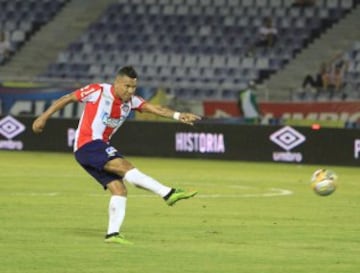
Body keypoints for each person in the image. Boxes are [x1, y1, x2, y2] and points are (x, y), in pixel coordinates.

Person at [32, 66, 201, 245]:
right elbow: (68, 98)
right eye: (127, 86)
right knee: (126, 167)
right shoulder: (98, 91)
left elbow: (155, 108)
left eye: (133, 87)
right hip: (88, 144)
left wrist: (178, 115)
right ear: (117, 83)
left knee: (119, 189)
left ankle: (112, 235)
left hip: (95, 148)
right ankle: (168, 193)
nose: (130, 91)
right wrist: (43, 117)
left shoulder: (132, 102)